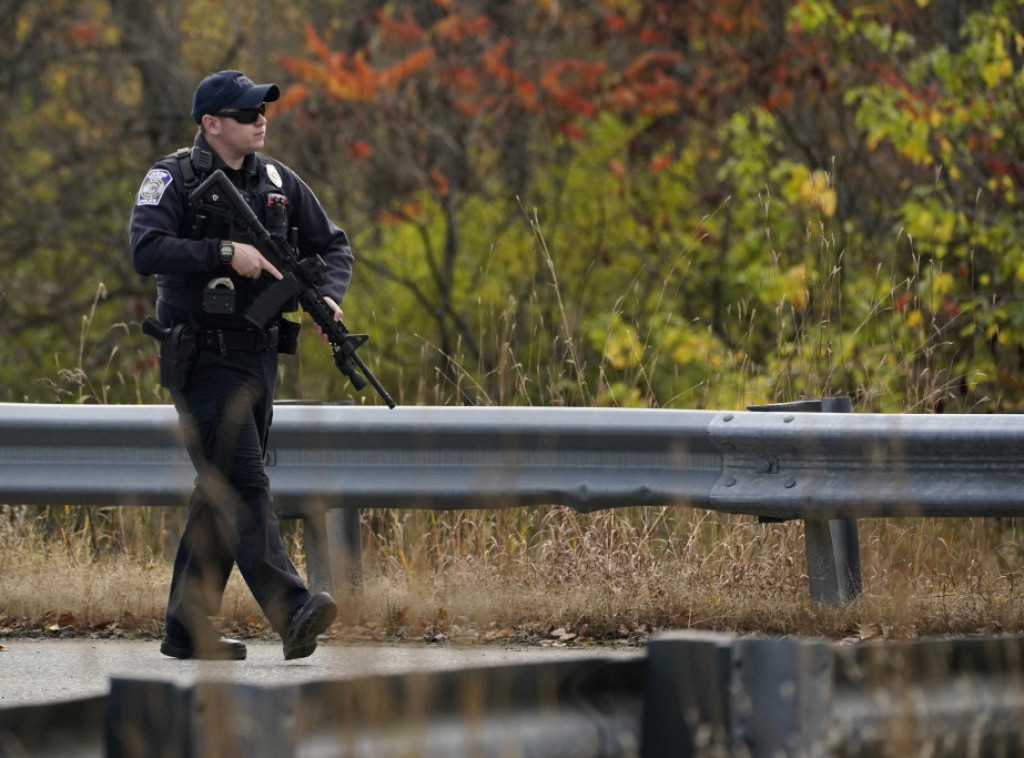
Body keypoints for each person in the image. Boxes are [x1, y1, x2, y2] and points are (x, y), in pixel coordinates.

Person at [130, 70, 353, 660]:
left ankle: (186, 630)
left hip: (258, 359)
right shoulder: (171, 177)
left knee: (219, 492)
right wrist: (226, 252)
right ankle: (293, 607)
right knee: (246, 484)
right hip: (201, 359)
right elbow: (145, 248)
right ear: (211, 124)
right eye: (247, 112)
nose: (262, 119)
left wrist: (329, 293)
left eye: (263, 110)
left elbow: (333, 244)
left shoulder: (279, 181)